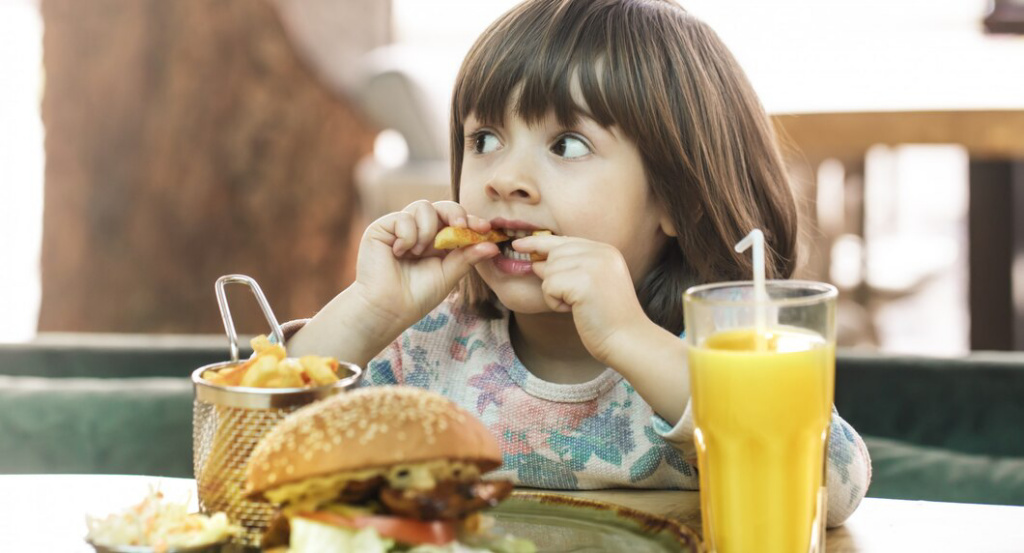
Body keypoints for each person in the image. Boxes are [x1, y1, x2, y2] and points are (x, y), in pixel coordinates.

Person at [287, 0, 870, 526]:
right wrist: (369, 311)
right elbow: (244, 462)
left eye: (567, 144)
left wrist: (629, 336)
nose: (506, 179)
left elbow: (835, 484)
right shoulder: (425, 353)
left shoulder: (721, 354)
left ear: (674, 198)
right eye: (484, 139)